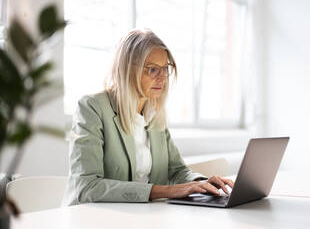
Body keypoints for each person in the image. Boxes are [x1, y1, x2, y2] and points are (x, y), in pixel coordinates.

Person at [62, 29, 234, 206]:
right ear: (127, 70)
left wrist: (201, 184)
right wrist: (164, 191)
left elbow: (176, 170)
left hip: (143, 217)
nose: (163, 78)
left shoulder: (154, 112)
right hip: (91, 218)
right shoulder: (92, 107)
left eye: (165, 69)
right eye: (152, 70)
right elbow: (87, 186)